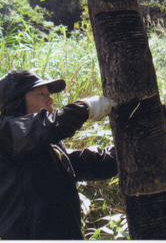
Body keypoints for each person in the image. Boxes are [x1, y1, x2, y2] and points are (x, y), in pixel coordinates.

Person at [0, 70, 118, 240]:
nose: (49, 99)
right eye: (40, 94)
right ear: (16, 102)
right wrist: (85, 107)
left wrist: (133, 146)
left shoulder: (46, 147)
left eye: (48, 94)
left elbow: (92, 163)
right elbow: (47, 126)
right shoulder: (7, 133)